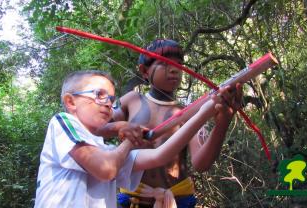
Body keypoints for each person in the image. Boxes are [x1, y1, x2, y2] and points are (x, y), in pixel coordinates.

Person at [34, 70, 237, 208]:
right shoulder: (63, 122)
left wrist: (207, 111)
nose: (107, 103)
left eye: (111, 99)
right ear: (70, 101)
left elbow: (160, 155)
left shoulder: (106, 150)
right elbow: (106, 169)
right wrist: (129, 140)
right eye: (99, 94)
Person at [99, 39, 243, 208]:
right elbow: (100, 127)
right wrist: (119, 126)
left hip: (178, 200)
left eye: (179, 64)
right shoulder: (132, 100)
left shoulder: (192, 112)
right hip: (134, 199)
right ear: (144, 71)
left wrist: (224, 120)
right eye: (164, 63)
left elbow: (201, 164)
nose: (175, 69)